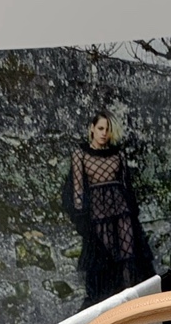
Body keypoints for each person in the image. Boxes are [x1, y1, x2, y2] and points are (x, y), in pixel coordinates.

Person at [64, 111, 155, 307]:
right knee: (106, 259)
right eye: (100, 128)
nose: (104, 133)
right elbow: (78, 188)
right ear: (92, 129)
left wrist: (131, 211)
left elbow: (126, 185)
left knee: (128, 256)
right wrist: (81, 218)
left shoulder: (118, 154)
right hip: (98, 213)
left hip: (121, 210)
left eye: (107, 129)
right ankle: (111, 309)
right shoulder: (81, 154)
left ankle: (131, 305)